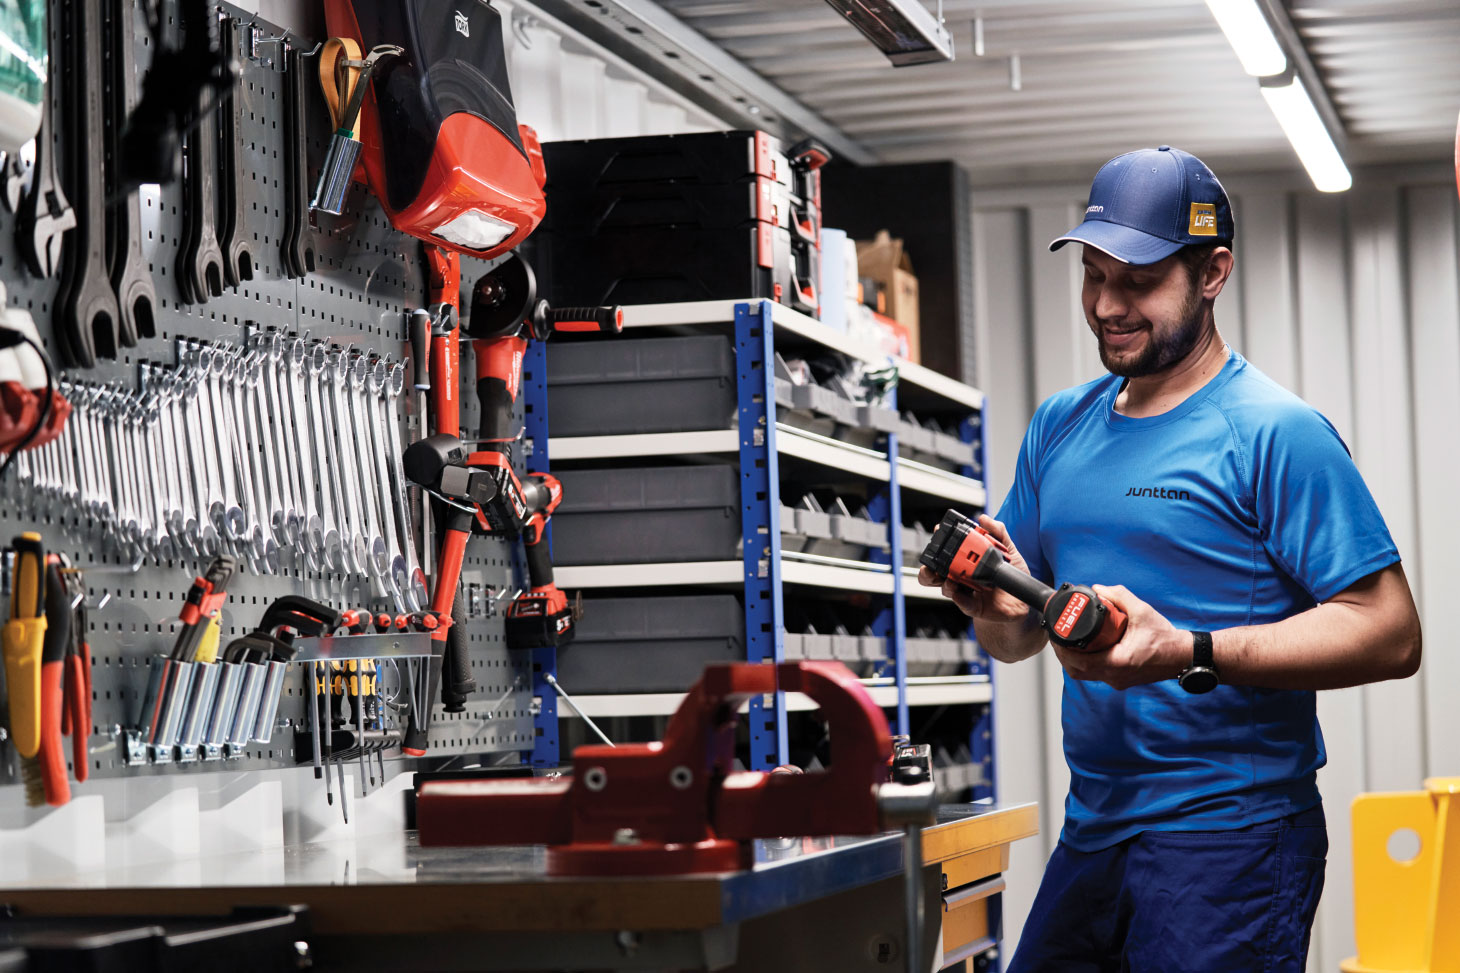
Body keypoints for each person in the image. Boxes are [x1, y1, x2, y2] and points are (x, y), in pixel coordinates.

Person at [920, 146, 1422, 972]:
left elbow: (1391, 632)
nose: (1106, 305)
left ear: (1212, 272)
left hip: (1231, 840)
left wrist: (1190, 649)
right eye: (1093, 275)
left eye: (1139, 281)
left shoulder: (1274, 432)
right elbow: (1014, 638)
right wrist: (994, 607)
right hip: (1094, 829)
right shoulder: (1058, 426)